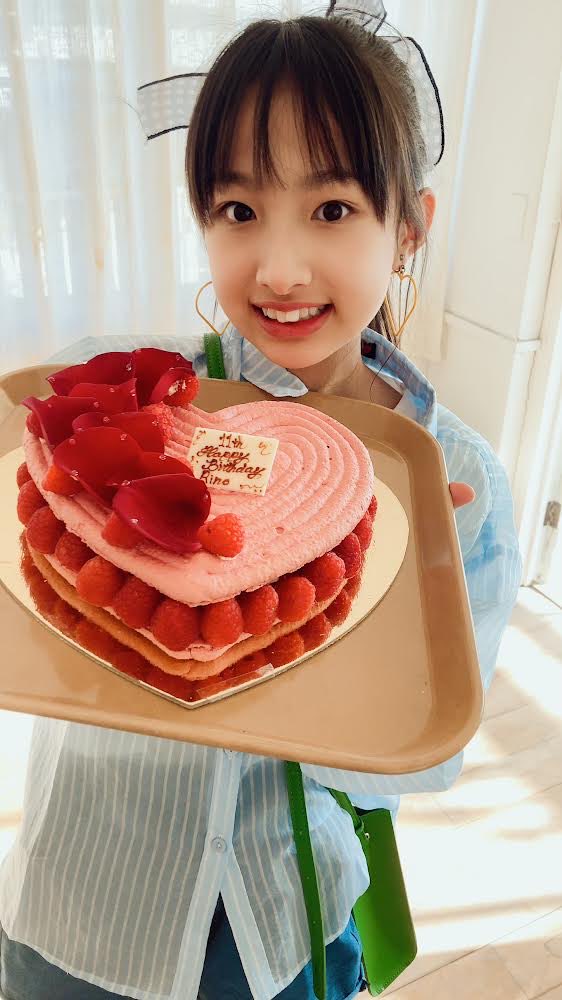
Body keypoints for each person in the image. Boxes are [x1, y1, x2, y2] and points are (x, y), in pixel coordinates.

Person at [0, 8, 522, 1000]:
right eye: (238, 209)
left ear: (410, 226)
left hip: (282, 932)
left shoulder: (448, 482)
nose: (278, 270)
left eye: (331, 208)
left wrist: (379, 632)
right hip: (81, 913)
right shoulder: (120, 400)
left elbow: (428, 761)